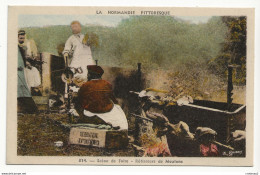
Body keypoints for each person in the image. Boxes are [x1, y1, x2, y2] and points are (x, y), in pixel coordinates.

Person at [77, 65, 128, 130]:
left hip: (90, 112)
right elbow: (112, 98)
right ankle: (121, 130)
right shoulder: (107, 84)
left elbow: (80, 99)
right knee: (118, 111)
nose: (87, 75)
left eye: (88, 73)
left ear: (91, 75)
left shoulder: (85, 85)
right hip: (106, 111)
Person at [17, 30, 38, 113]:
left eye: (23, 38)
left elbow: (23, 59)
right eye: (20, 38)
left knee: (25, 88)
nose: (22, 39)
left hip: (23, 70)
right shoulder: (14, 47)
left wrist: (27, 63)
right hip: (17, 71)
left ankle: (28, 108)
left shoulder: (23, 47)